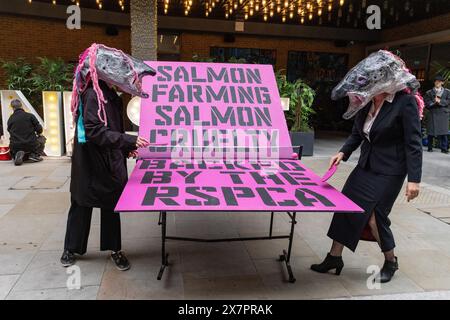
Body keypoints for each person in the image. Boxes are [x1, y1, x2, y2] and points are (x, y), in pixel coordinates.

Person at [310, 50, 423, 283]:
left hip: (390, 170)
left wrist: (414, 179)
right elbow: (357, 133)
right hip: (366, 166)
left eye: (374, 79)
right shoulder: (367, 100)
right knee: (346, 208)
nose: (368, 83)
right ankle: (334, 257)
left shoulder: (405, 103)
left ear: (387, 80)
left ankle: (391, 261)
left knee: (374, 216)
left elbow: (414, 143)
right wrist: (343, 152)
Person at [60, 44, 156, 270]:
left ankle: (115, 249)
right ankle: (71, 248)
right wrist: (128, 140)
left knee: (112, 206)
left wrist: (125, 148)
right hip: (90, 163)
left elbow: (112, 128)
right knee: (81, 204)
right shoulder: (93, 93)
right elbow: (94, 131)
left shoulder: (110, 94)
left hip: (109, 162)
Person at [7, 99, 46, 165]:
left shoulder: (11, 118)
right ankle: (34, 155)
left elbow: (9, 130)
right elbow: (39, 129)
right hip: (30, 144)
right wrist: (38, 134)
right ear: (21, 106)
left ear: (12, 108)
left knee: (15, 146)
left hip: (15, 145)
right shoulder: (30, 116)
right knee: (42, 138)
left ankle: (17, 154)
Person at [424, 75, 450, 154]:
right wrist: (433, 102)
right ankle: (430, 147)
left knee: (444, 132)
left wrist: (440, 102)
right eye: (436, 81)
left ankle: (444, 148)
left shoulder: (447, 92)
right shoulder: (429, 92)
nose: (437, 82)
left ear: (442, 82)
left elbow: (448, 101)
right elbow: (426, 102)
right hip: (433, 112)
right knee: (431, 132)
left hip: (443, 113)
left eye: (439, 81)